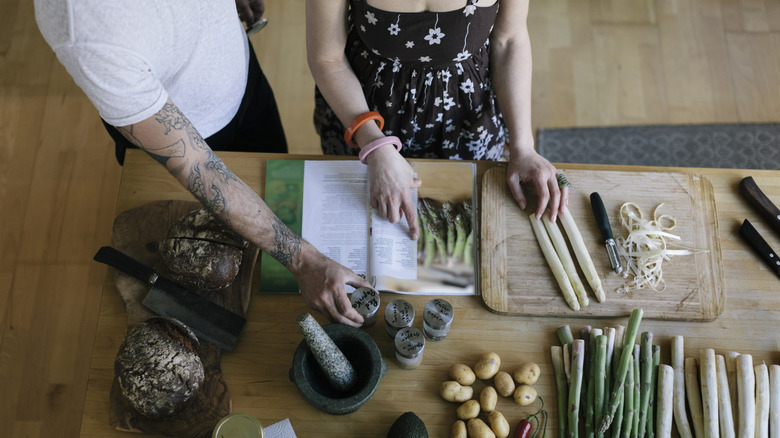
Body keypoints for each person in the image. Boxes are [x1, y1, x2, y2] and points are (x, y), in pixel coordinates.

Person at [34, 0, 371, 327]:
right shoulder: (85, 29)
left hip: (242, 80)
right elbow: (199, 165)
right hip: (192, 143)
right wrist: (304, 261)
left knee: (271, 207)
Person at [307, 0, 570, 235]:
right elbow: (328, 59)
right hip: (368, 112)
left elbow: (510, 40)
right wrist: (375, 145)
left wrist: (523, 147)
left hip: (467, 115)